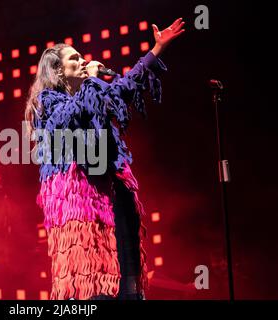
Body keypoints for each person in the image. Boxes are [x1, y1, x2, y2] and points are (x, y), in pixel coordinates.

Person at [25, 19, 185, 300]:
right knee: (94, 282)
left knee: (128, 277)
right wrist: (90, 81)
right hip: (80, 202)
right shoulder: (47, 102)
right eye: (74, 58)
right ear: (58, 70)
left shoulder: (93, 92)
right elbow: (70, 117)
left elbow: (123, 87)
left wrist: (156, 50)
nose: (84, 60)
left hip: (113, 194)